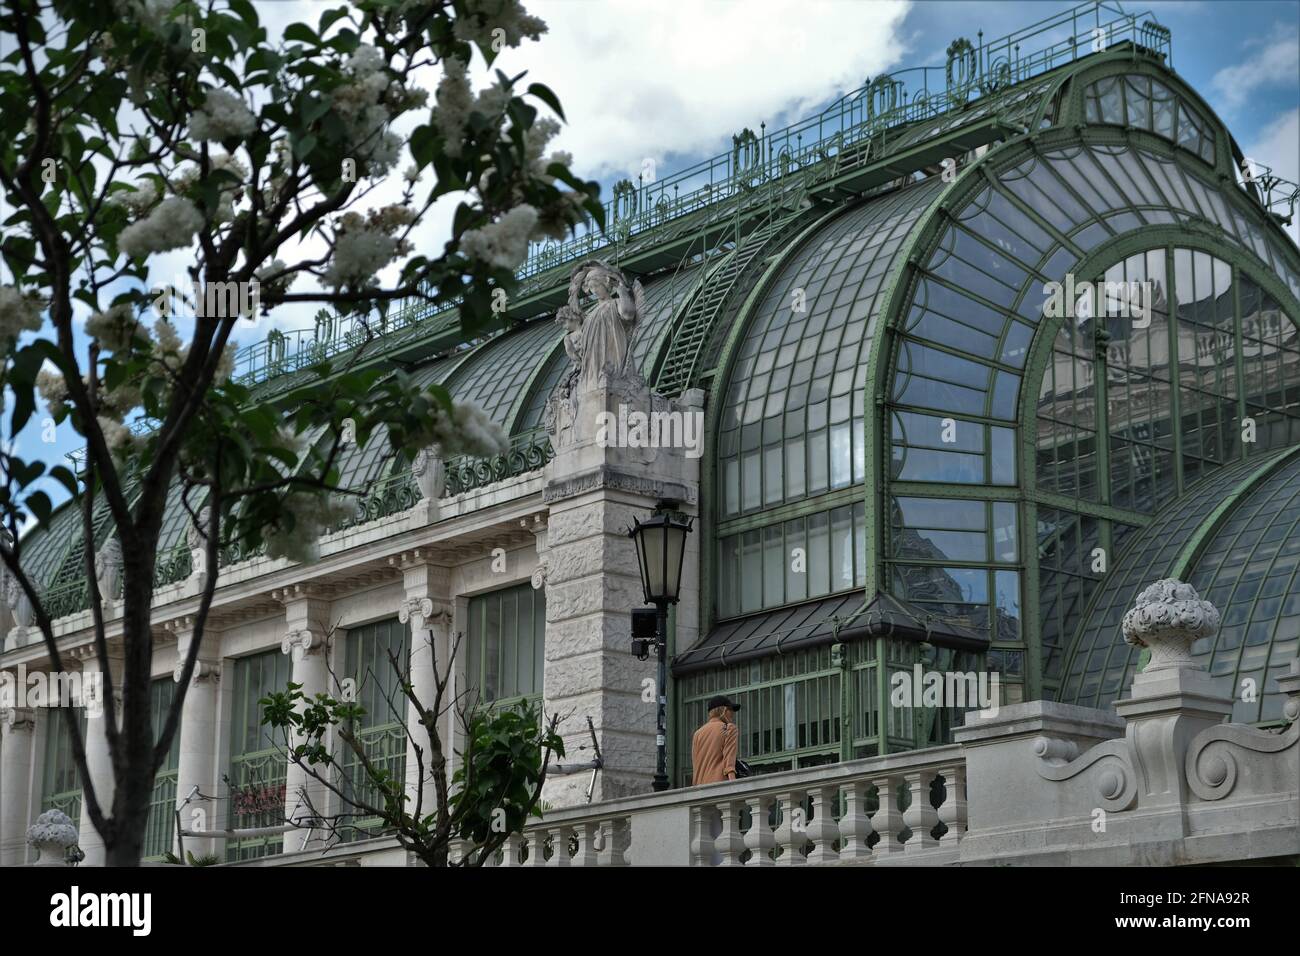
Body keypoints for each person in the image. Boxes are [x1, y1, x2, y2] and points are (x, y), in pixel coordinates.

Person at [691, 695, 742, 785]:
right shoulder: (729, 728)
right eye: (731, 710)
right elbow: (729, 763)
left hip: (701, 790)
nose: (733, 713)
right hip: (720, 787)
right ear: (724, 710)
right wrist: (734, 786)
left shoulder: (698, 734)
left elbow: (696, 766)